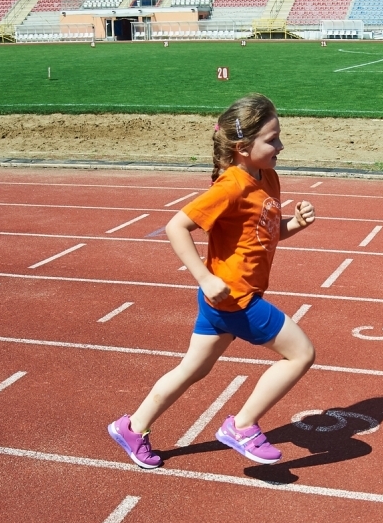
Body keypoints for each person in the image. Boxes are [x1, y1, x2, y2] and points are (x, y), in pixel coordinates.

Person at [107, 94, 316, 469]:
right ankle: (242, 426)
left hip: (222, 300)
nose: (281, 146)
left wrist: (295, 225)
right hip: (235, 298)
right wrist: (204, 278)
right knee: (301, 353)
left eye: (279, 136)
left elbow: (264, 233)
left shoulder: (267, 177)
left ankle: (132, 427)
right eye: (272, 140)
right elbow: (176, 226)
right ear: (242, 148)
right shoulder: (230, 186)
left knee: (193, 369)